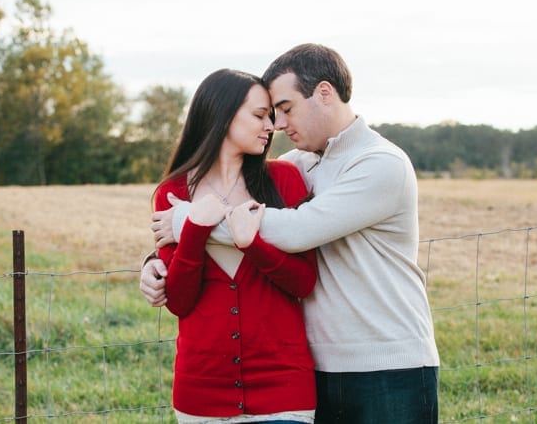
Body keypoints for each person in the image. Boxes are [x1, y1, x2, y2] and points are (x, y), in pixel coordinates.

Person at [142, 44, 440, 424]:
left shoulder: (380, 164)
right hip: (321, 364)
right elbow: (234, 200)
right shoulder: (298, 165)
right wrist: (157, 260)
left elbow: (296, 230)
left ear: (324, 93)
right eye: (269, 114)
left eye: (285, 108)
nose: (278, 125)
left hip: (388, 363)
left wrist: (187, 222)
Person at [150, 68, 318, 423]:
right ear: (222, 115)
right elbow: (179, 301)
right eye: (259, 115)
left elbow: (303, 282)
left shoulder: (284, 181)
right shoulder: (173, 193)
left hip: (283, 389)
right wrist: (195, 226)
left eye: (270, 116)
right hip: (201, 395)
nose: (270, 126)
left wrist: (251, 244)